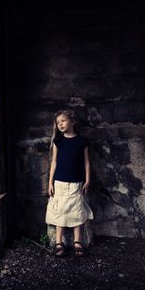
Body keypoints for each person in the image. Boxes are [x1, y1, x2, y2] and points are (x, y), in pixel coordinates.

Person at [45, 109, 93, 257]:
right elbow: (53, 163)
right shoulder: (58, 141)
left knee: (76, 210)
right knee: (60, 211)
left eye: (63, 121)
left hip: (76, 182)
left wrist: (88, 180)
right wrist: (50, 183)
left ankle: (77, 242)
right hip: (59, 182)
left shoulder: (82, 141)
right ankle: (59, 242)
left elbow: (86, 163)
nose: (60, 124)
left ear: (72, 122)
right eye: (58, 122)